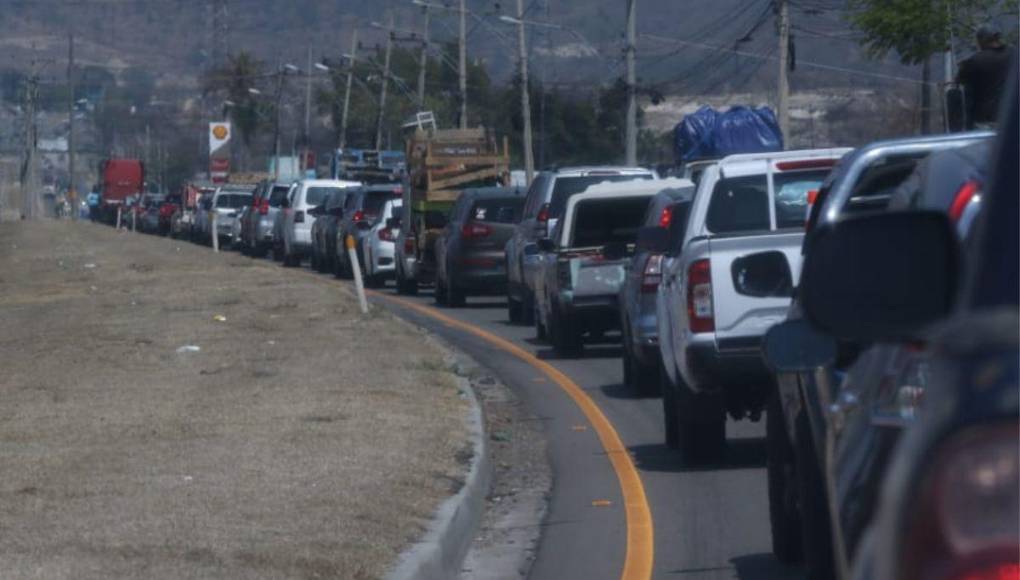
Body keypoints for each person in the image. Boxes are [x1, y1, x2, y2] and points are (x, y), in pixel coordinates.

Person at [957, 25, 1015, 129]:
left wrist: (963, 67)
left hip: (985, 122)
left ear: (981, 41)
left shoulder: (974, 61)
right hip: (1013, 118)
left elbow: (960, 80)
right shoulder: (1014, 54)